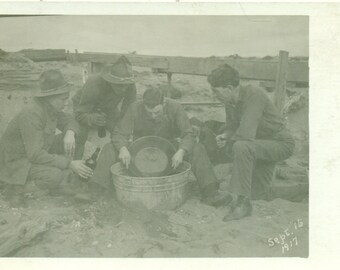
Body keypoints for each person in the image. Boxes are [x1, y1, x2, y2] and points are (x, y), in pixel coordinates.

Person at [90, 87, 232, 207]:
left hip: (168, 149)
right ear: (143, 105)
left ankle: (210, 192)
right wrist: (123, 148)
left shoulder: (175, 107)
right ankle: (96, 189)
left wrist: (181, 151)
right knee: (110, 147)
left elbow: (188, 134)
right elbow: (119, 133)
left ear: (163, 103)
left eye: (156, 112)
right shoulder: (135, 107)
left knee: (197, 147)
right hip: (140, 150)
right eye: (149, 112)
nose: (153, 116)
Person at [206, 64, 295, 221]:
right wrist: (225, 136)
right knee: (258, 194)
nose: (213, 95)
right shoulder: (229, 101)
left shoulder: (254, 95)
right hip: (259, 145)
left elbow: (245, 134)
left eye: (216, 91)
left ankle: (242, 204)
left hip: (279, 143)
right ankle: (303, 190)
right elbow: (232, 127)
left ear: (229, 87)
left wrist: (229, 142)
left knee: (240, 146)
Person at [0, 69, 93, 207]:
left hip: (37, 151)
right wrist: (69, 163)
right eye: (63, 99)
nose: (66, 103)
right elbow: (35, 155)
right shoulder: (32, 114)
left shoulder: (50, 108)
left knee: (80, 133)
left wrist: (70, 133)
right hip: (17, 162)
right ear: (50, 97)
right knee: (54, 176)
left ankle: (68, 180)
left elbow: (71, 121)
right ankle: (16, 189)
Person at [72, 55, 137, 160]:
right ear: (110, 80)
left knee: (118, 131)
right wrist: (92, 118)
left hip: (108, 108)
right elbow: (80, 113)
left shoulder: (130, 84)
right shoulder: (94, 83)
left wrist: (122, 126)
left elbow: (129, 110)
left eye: (126, 85)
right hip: (85, 107)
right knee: (81, 133)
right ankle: (78, 163)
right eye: (119, 85)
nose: (123, 89)